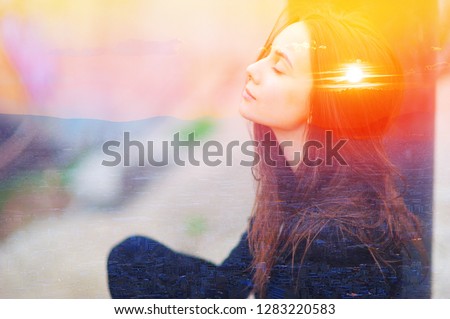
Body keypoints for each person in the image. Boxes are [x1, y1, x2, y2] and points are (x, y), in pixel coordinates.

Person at [107, 5, 428, 298]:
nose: (252, 68)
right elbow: (232, 284)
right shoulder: (296, 187)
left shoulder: (337, 240)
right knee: (134, 259)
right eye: (266, 55)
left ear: (324, 103)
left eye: (279, 67)